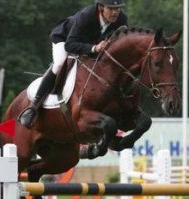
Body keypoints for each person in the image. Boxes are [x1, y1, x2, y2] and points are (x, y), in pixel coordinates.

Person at [18, 0, 128, 128]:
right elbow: (70, 44)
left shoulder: (121, 19)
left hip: (91, 43)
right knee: (59, 63)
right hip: (65, 38)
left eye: (118, 8)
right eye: (111, 8)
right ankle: (33, 107)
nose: (115, 12)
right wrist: (94, 48)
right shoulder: (87, 16)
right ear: (101, 7)